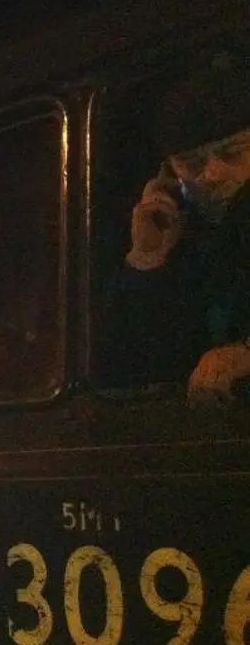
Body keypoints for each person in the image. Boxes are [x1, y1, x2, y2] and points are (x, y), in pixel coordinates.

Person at [118, 56, 250, 403]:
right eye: (193, 163)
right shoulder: (183, 238)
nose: (213, 174)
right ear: (170, 174)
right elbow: (135, 367)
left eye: (232, 153)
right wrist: (147, 258)